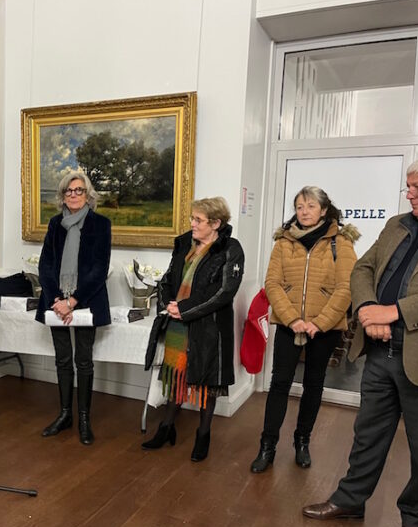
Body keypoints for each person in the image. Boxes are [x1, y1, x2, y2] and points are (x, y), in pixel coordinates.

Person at [302, 153, 418, 527]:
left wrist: (395, 312)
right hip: (380, 351)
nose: (409, 195)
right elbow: (363, 270)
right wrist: (368, 309)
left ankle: (415, 521)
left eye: (417, 188)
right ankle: (350, 501)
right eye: (408, 187)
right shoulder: (397, 224)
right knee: (368, 435)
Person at [250, 187, 359, 473]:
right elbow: (272, 284)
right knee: (279, 384)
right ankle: (267, 446)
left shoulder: (342, 243)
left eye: (310, 206)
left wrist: (319, 323)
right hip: (289, 326)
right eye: (299, 207)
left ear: (324, 210)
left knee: (313, 384)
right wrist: (292, 320)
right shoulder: (284, 241)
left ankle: (302, 442)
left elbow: (346, 288)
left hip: (325, 328)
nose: (304, 211)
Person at [142, 197, 244, 461]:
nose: (192, 223)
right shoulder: (185, 243)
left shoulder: (230, 249)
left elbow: (223, 292)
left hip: (209, 328)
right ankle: (166, 428)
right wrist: (168, 306)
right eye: (192, 218)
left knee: (207, 381)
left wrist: (184, 309)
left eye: (198, 220)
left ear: (216, 223)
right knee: (176, 376)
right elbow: (166, 280)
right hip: (178, 325)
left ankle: (203, 434)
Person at [36, 171, 111, 446]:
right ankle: (64, 414)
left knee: (84, 361)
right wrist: (58, 299)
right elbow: (45, 265)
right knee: (62, 360)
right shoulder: (55, 224)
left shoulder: (101, 224)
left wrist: (73, 301)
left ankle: (83, 419)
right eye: (69, 191)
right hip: (56, 303)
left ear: (88, 194)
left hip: (86, 301)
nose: (74, 195)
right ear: (62, 195)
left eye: (79, 190)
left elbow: (99, 268)